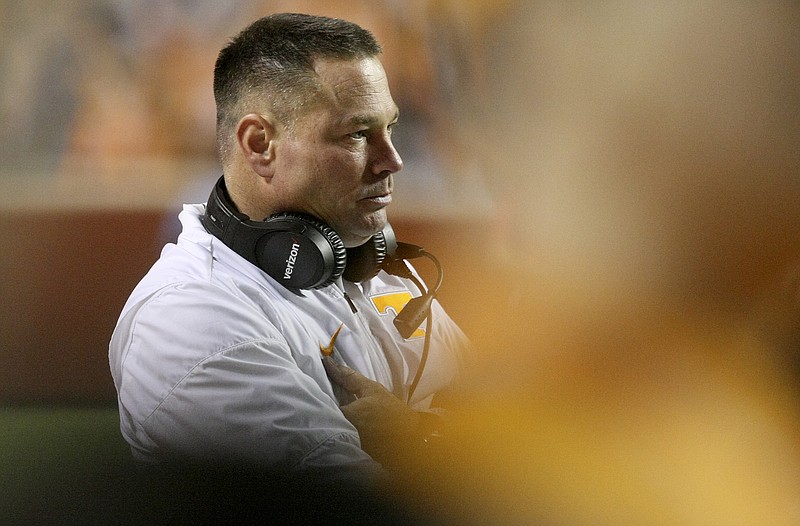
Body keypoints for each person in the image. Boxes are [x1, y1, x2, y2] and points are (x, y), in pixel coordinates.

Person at [108, 13, 467, 481]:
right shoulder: (193, 323)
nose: (392, 161)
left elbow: (519, 430)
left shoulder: (371, 264)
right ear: (260, 145)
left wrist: (416, 435)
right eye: (357, 135)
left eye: (390, 129)